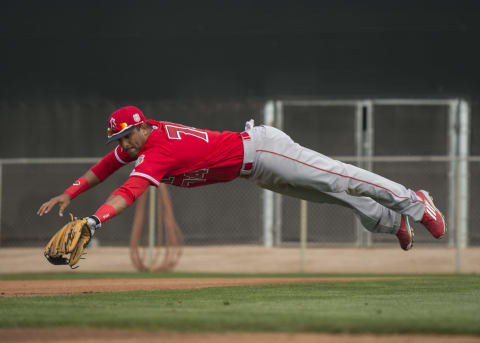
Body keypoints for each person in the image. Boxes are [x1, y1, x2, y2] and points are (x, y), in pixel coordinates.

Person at [37, 106, 446, 250]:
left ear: (141, 127)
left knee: (340, 178)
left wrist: (94, 221)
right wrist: (70, 193)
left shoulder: (158, 149)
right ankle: (392, 221)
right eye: (120, 139)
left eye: (127, 136)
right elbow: (108, 166)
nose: (124, 145)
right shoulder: (143, 141)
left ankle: (415, 200)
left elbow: (129, 190)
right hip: (256, 171)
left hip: (265, 149)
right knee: (331, 194)